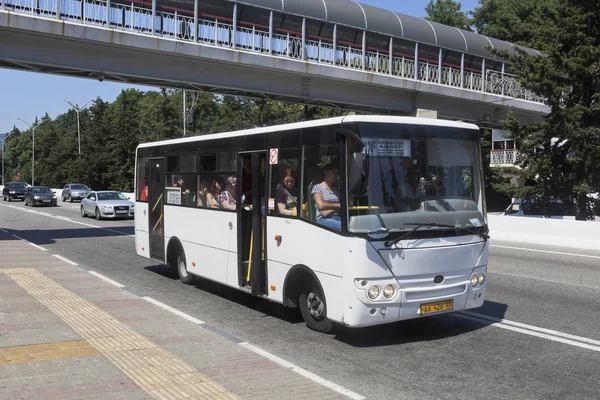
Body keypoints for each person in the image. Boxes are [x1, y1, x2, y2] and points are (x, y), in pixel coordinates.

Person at [311, 161, 341, 231]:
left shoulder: (337, 189)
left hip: (338, 216)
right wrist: (338, 205)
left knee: (351, 226)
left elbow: (344, 206)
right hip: (323, 219)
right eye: (333, 172)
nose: (335, 175)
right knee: (343, 228)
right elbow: (321, 205)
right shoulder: (318, 187)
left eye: (336, 173)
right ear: (326, 172)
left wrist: (331, 210)